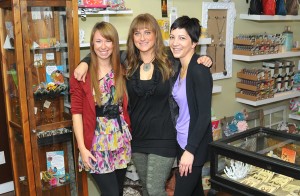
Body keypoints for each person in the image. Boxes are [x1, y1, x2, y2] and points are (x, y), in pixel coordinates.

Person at [74, 13, 212, 196]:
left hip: (165, 138)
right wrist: (84, 62)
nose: (142, 38)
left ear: (156, 35)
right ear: (132, 37)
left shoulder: (171, 59)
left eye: (147, 32)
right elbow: (103, 51)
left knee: (154, 189)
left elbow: (189, 55)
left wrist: (205, 59)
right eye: (137, 33)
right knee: (146, 189)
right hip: (137, 139)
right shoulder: (126, 61)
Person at [70, 21, 132, 196]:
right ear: (92, 44)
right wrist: (82, 148)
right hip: (96, 142)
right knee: (111, 192)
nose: (103, 46)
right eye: (98, 41)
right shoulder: (81, 74)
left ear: (114, 43)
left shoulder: (123, 69)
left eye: (108, 41)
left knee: (118, 191)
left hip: (120, 139)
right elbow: (76, 114)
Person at [169, 16, 213, 196]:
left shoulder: (199, 70)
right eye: (172, 37)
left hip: (192, 146)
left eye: (182, 38)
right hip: (182, 140)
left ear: (194, 43)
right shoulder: (179, 67)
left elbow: (204, 116)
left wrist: (190, 150)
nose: (175, 43)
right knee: (195, 192)